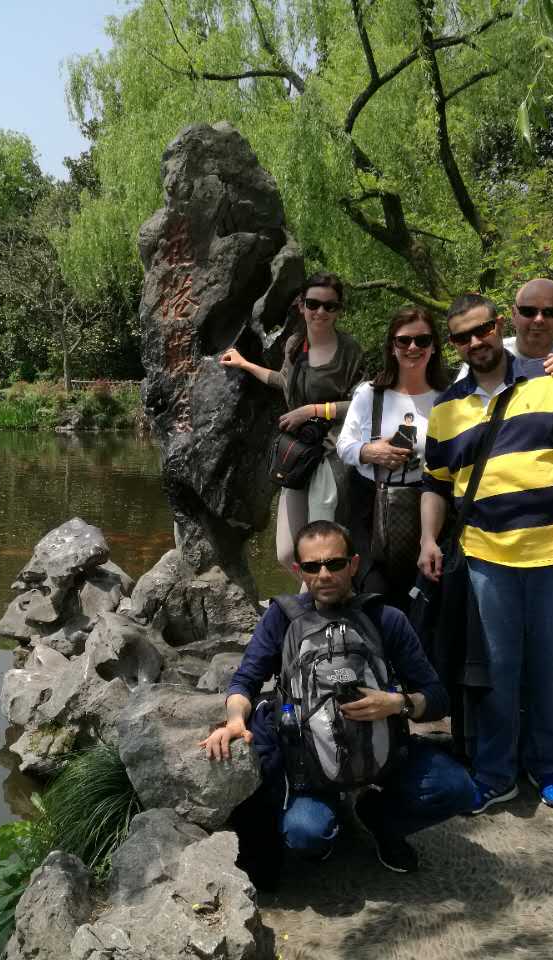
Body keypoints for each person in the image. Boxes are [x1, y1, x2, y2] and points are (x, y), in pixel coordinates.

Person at [199, 520, 475, 875]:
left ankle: (380, 820)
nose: (324, 574)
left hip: (382, 752)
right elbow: (245, 681)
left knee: (456, 788)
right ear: (299, 570)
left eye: (335, 563)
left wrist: (397, 704)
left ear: (354, 564)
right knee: (306, 834)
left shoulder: (385, 618)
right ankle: (329, 813)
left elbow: (437, 698)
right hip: (309, 760)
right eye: (313, 567)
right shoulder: (282, 619)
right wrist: (235, 720)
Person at [420, 293, 553, 813]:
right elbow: (434, 483)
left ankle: (547, 766)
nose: (475, 342)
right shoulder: (446, 408)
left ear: (497, 326)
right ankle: (496, 771)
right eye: (461, 337)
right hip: (486, 558)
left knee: (550, 665)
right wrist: (428, 540)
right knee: (496, 671)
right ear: (453, 345)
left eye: (481, 330)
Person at [220, 274, 364, 575]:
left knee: (322, 551)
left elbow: (362, 403)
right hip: (297, 456)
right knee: (288, 552)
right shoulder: (295, 345)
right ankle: (321, 598)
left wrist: (312, 410)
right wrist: (245, 364)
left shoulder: (350, 350)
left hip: (330, 456)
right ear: (302, 306)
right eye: (313, 304)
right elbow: (284, 382)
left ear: (339, 310)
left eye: (329, 306)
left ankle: (317, 611)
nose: (320, 312)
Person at [337, 307, 450, 608]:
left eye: (422, 340)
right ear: (392, 346)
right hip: (370, 507)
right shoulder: (369, 394)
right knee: (375, 593)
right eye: (404, 341)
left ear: (434, 346)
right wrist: (370, 451)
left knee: (423, 597)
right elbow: (343, 445)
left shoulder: (447, 397)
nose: (413, 348)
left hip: (428, 507)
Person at [454, 278, 553, 398]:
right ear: (514, 314)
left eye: (550, 312)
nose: (539, 319)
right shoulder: (485, 354)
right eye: (528, 311)